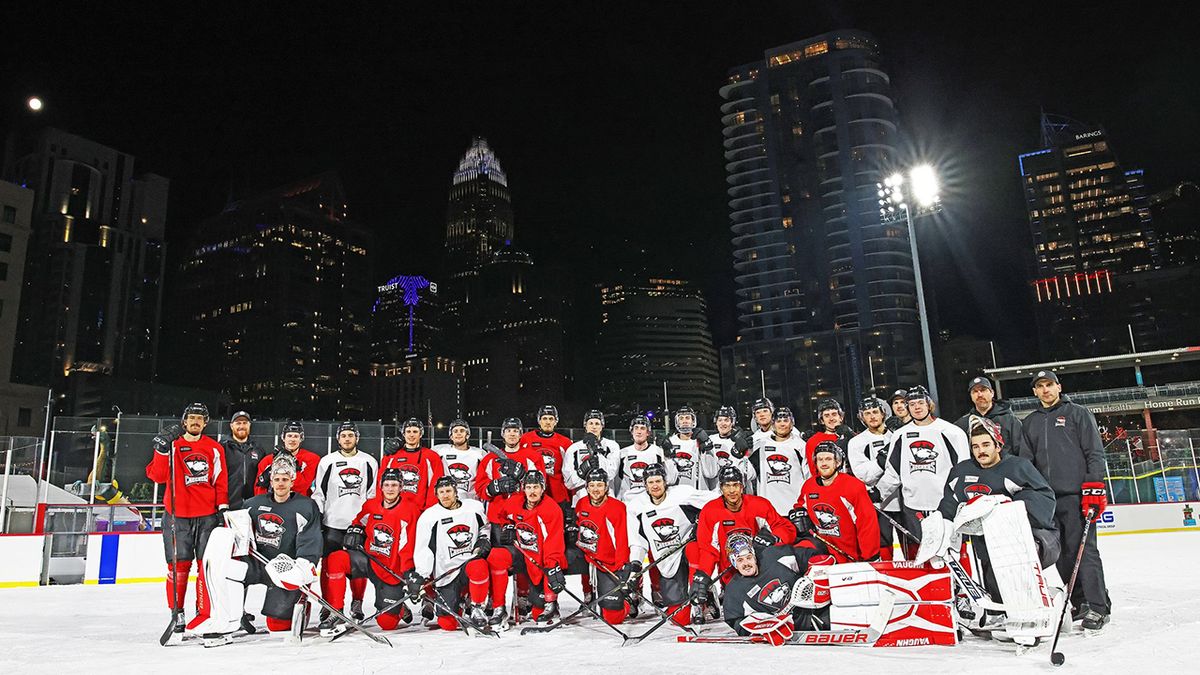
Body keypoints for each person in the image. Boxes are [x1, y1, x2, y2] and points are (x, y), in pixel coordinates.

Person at [1020, 370, 1110, 631]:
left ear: (1059, 387)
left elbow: (1094, 452)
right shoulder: (1031, 422)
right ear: (1035, 392)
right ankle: (1081, 601)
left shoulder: (1078, 414)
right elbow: (1027, 462)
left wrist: (1094, 488)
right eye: (1040, 386)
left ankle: (1098, 606)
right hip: (1047, 500)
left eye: (1049, 384)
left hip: (1076, 495)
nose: (1045, 390)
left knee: (1085, 551)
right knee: (1061, 555)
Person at [145, 403, 228, 636]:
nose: (195, 422)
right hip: (177, 517)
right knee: (178, 567)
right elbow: (157, 476)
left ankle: (204, 613)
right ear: (184, 421)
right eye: (191, 418)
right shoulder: (172, 446)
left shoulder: (213, 448)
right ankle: (177, 612)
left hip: (207, 516)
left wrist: (222, 507)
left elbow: (220, 480)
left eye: (199, 418)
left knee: (206, 568)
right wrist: (161, 450)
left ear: (205, 423)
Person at [319, 467, 421, 635]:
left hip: (390, 568)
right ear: (381, 486)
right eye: (386, 484)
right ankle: (336, 611)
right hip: (369, 559)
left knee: (387, 623)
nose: (390, 488)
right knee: (335, 558)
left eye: (394, 485)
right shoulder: (372, 505)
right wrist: (355, 530)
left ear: (401, 487)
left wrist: (407, 571)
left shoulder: (410, 510)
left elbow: (407, 545)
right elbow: (359, 521)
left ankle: (399, 607)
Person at [877, 385, 970, 559]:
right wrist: (878, 493)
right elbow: (893, 472)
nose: (917, 407)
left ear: (929, 404)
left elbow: (963, 470)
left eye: (920, 402)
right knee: (918, 557)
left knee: (951, 555)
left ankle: (958, 586)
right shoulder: (901, 435)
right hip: (913, 507)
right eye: (912, 404)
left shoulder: (951, 432)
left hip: (944, 506)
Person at [692, 466, 797, 613]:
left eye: (735, 485)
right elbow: (708, 550)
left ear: (742, 487)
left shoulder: (759, 505)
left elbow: (787, 529)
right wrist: (703, 574)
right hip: (731, 579)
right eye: (727, 486)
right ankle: (719, 594)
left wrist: (774, 537)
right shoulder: (710, 511)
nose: (732, 490)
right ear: (721, 488)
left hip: (761, 571)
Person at [239, 455, 323, 636]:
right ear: (271, 481)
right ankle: (233, 612)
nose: (280, 483)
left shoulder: (306, 506)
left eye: (285, 479)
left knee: (278, 626)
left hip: (286, 567)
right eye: (277, 479)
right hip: (257, 564)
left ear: (292, 481)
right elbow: (238, 535)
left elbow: (310, 541)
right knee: (230, 570)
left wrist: (301, 570)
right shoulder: (252, 505)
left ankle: (301, 603)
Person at [626, 463, 714, 626]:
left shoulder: (682, 494)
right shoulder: (636, 507)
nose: (655, 486)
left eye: (658, 481)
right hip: (667, 558)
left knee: (694, 549)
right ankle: (697, 599)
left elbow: (715, 500)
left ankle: (700, 599)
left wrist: (701, 525)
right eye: (651, 482)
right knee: (679, 619)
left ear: (665, 481)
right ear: (645, 484)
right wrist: (634, 571)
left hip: (688, 547)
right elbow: (637, 542)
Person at [311, 421, 378, 623]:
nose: (347, 439)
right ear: (338, 439)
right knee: (329, 565)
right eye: (343, 435)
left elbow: (372, 494)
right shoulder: (327, 461)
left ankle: (357, 603)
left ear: (357, 438)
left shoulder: (369, 461)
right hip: (332, 523)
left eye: (350, 435)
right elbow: (319, 493)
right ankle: (328, 604)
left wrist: (365, 522)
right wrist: (319, 518)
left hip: (358, 525)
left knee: (358, 565)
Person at [485, 470, 567, 628]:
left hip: (541, 557)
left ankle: (551, 606)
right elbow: (500, 515)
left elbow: (553, 542)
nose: (532, 491)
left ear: (542, 488)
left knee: (538, 612)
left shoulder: (552, 509)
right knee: (496, 556)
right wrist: (507, 525)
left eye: (536, 487)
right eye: (528, 487)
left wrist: (551, 566)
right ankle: (499, 608)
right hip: (521, 552)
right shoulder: (515, 501)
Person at [410, 475, 492, 632]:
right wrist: (421, 574)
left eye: (448, 490)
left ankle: (477, 607)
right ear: (436, 494)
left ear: (456, 491)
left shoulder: (474, 508)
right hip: (446, 573)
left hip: (469, 564)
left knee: (478, 565)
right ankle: (460, 602)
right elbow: (423, 548)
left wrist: (483, 540)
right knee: (447, 624)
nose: (445, 495)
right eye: (441, 492)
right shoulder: (429, 516)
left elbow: (485, 528)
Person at [721, 533, 834, 636]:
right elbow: (737, 622)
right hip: (785, 630)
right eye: (740, 560)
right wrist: (761, 627)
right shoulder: (734, 591)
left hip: (814, 610)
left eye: (748, 558)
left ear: (754, 556)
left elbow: (808, 556)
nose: (746, 564)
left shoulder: (774, 555)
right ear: (734, 563)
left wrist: (817, 571)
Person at [794, 441, 880, 563]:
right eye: (820, 459)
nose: (824, 463)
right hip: (823, 556)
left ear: (838, 462)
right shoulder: (809, 486)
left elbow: (867, 523)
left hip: (851, 558)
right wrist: (799, 514)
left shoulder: (853, 486)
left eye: (828, 459)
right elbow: (800, 506)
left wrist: (870, 556)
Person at [572, 468, 634, 624]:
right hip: (588, 557)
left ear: (606, 487)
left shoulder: (617, 508)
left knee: (612, 618)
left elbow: (622, 540)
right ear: (586, 487)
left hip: (609, 563)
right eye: (592, 485)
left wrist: (622, 567)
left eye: (599, 485)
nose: (595, 489)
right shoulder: (581, 503)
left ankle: (628, 601)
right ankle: (586, 596)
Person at [847, 396, 898, 560]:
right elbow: (863, 475)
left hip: (906, 500)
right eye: (867, 413)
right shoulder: (856, 442)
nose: (872, 416)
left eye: (875, 412)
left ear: (883, 413)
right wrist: (883, 460)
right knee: (884, 546)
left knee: (914, 544)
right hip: (878, 503)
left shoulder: (897, 435)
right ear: (862, 417)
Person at [474, 417, 547, 505]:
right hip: (498, 511)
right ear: (503, 434)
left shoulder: (534, 456)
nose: (512, 434)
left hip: (524, 510)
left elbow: (541, 485)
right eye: (508, 431)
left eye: (515, 431)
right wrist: (491, 489)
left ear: (520, 434)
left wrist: (523, 476)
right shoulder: (490, 458)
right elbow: (479, 488)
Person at [750, 407, 808, 517]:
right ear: (773, 423)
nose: (782, 424)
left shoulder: (800, 445)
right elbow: (748, 473)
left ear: (792, 423)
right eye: (778, 421)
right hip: (768, 510)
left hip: (794, 509)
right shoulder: (760, 445)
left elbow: (808, 477)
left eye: (786, 421)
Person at [379, 418, 444, 509]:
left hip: (418, 511)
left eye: (415, 431)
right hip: (393, 509)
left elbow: (435, 485)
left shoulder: (431, 457)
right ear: (403, 434)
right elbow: (380, 483)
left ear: (420, 434)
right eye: (408, 431)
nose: (411, 435)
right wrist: (381, 506)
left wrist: (429, 510)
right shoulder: (391, 456)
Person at [954, 376, 1025, 459]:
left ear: (992, 393)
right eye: (975, 391)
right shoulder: (962, 424)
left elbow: (1021, 451)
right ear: (971, 396)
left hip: (1006, 469)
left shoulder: (1010, 420)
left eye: (983, 390)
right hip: (977, 470)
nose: (979, 394)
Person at [519, 404, 572, 506]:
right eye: (544, 418)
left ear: (556, 421)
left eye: (551, 419)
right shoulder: (526, 439)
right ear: (539, 420)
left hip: (557, 493)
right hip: (532, 491)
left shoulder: (565, 442)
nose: (548, 422)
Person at [562, 410, 620, 503]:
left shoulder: (612, 446)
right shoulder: (573, 448)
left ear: (602, 426)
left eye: (597, 423)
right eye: (591, 423)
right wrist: (582, 472)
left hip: (607, 500)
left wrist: (595, 448)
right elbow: (568, 483)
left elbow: (611, 473)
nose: (594, 427)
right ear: (585, 425)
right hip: (581, 501)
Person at [253, 421, 320, 497]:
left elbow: (302, 487)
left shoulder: (311, 459)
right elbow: (259, 487)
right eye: (289, 436)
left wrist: (289, 461)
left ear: (301, 439)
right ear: (283, 438)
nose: (292, 439)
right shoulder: (267, 461)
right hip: (274, 504)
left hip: (299, 503)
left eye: (296, 436)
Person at [659, 406, 718, 490]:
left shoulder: (702, 441)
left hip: (699, 495)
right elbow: (669, 480)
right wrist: (667, 455)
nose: (684, 421)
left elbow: (711, 474)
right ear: (677, 422)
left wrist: (708, 448)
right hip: (676, 495)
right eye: (681, 418)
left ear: (693, 421)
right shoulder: (670, 442)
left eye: (687, 418)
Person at [617, 415, 676, 498]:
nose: (639, 431)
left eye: (642, 428)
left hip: (651, 501)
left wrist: (668, 456)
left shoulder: (658, 452)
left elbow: (671, 479)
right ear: (631, 431)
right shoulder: (622, 453)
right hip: (628, 501)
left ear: (648, 432)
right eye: (636, 428)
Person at [432, 419, 486, 502]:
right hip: (448, 501)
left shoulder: (479, 454)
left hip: (471, 502)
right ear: (451, 436)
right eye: (455, 431)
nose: (458, 433)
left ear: (467, 435)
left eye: (462, 431)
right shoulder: (441, 452)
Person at [221, 410, 266, 511]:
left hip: (252, 505)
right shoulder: (222, 448)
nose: (242, 426)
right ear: (231, 426)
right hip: (229, 505)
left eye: (245, 423)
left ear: (249, 425)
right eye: (238, 423)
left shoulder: (258, 449)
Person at [710, 406, 756, 490]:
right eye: (720, 420)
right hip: (716, 491)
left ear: (732, 422)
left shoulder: (742, 440)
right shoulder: (710, 440)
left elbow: (751, 475)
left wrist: (743, 454)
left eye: (726, 420)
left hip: (737, 490)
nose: (722, 423)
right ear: (715, 422)